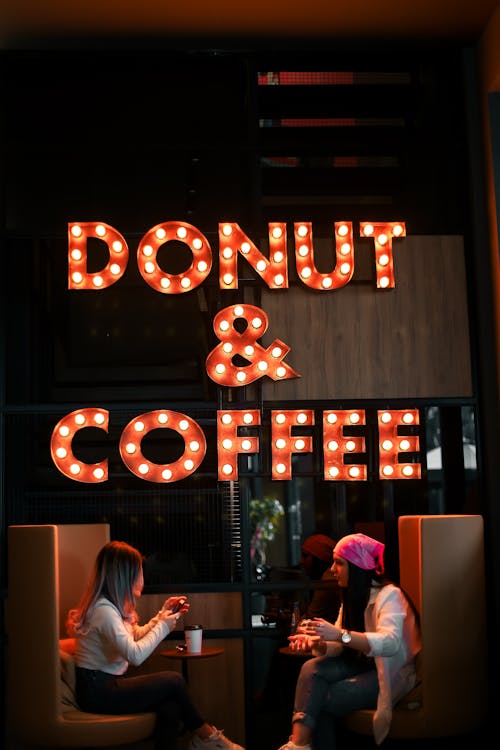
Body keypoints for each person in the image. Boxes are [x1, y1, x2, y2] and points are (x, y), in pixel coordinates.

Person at [66, 540, 244, 750]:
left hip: (103, 685)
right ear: (126, 575)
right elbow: (135, 655)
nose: (143, 576)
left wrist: (161, 617)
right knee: (174, 680)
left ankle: (202, 739)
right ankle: (206, 736)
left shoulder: (110, 607)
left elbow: (133, 637)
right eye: (139, 571)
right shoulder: (104, 611)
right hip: (97, 691)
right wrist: (164, 627)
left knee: (170, 708)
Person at [277, 533, 421, 750]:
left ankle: (299, 744)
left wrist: (339, 634)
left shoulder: (389, 595)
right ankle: (299, 744)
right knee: (311, 667)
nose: (333, 569)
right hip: (359, 665)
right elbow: (339, 644)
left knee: (323, 699)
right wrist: (317, 643)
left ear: (357, 566)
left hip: (389, 672)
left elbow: (390, 644)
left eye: (339, 563)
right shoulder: (352, 596)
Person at [299, 534, 340, 622]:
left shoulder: (328, 580)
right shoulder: (323, 579)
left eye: (305, 555)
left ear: (319, 559)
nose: (301, 561)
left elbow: (310, 620)